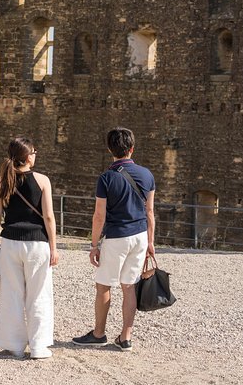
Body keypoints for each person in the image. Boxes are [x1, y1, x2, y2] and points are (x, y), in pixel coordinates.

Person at [72, 127, 155, 352]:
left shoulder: (107, 178)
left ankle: (99, 334)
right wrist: (150, 241)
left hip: (117, 237)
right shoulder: (147, 174)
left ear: (110, 150)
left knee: (104, 286)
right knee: (129, 286)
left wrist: (94, 245)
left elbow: (99, 216)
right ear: (132, 148)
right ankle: (125, 337)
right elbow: (149, 212)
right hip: (139, 236)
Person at [0, 137, 59, 359]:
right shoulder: (42, 180)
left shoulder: (1, 181)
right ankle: (39, 346)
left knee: (12, 294)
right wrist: (54, 247)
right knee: (39, 294)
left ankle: (14, 344)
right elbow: (48, 216)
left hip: (10, 242)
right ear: (28, 157)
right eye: (35, 152)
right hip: (38, 243)